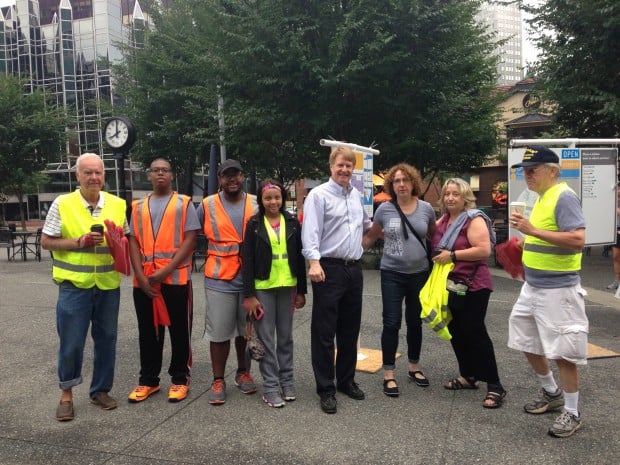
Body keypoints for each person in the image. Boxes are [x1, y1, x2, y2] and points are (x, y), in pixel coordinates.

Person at [41, 153, 129, 421]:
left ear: (104, 175)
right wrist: (77, 243)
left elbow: (125, 239)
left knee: (106, 340)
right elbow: (46, 241)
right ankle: (66, 394)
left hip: (107, 286)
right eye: (88, 173)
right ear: (77, 176)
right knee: (71, 342)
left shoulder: (118, 204)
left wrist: (118, 245)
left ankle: (100, 390)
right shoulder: (63, 203)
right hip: (73, 286)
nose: (94, 177)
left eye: (98, 173)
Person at [508, 145, 587, 438]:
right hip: (533, 286)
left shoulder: (563, 196)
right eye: (525, 171)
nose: (527, 176)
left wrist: (533, 232)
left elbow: (578, 239)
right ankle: (551, 392)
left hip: (559, 289)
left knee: (563, 352)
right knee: (525, 339)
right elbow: (547, 237)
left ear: (552, 170)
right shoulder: (542, 197)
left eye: (533, 170)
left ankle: (572, 411)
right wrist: (522, 246)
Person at [301, 145, 372, 414]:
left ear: (353, 169)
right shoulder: (318, 195)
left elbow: (366, 227)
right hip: (327, 269)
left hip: (353, 269)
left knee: (349, 329)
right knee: (324, 332)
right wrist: (314, 262)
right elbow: (311, 231)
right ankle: (326, 388)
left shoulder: (356, 196)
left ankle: (346, 381)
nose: (344, 169)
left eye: (349, 166)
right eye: (340, 165)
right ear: (330, 166)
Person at [127, 158, 200, 403]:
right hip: (145, 281)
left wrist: (166, 270)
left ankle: (180, 379)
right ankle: (148, 380)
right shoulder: (137, 207)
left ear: (171, 175)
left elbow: (190, 239)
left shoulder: (183, 203)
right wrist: (140, 274)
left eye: (165, 170)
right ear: (149, 175)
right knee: (148, 332)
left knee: (180, 331)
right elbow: (134, 241)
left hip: (176, 280)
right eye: (156, 170)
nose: (160, 174)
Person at [431, 177, 506, 409]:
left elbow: (483, 250)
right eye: (447, 194)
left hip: (474, 285)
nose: (451, 198)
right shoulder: (443, 219)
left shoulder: (473, 219)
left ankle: (495, 385)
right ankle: (469, 376)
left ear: (465, 197)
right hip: (451, 284)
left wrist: (452, 256)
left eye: (456, 194)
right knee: (456, 331)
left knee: (475, 333)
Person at [362, 163, 436, 397]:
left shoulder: (426, 209)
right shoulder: (384, 209)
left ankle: (414, 367)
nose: (401, 184)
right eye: (396, 181)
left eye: (405, 180)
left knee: (415, 322)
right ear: (391, 185)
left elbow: (433, 236)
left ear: (414, 182)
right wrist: (350, 256)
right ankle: (389, 373)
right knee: (391, 322)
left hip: (420, 274)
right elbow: (372, 236)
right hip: (392, 274)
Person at [197, 159, 258, 405]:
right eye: (226, 176)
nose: (231, 180)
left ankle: (243, 372)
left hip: (249, 278)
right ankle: (218, 378)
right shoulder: (206, 205)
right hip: (219, 277)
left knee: (246, 330)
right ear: (220, 179)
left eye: (236, 175)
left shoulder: (255, 202)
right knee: (219, 332)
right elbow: (193, 234)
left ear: (242, 176)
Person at [242, 179, 307, 408]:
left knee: (286, 338)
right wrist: (249, 295)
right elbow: (247, 261)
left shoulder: (291, 222)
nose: (273, 202)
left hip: (287, 286)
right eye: (268, 198)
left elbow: (299, 257)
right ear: (261, 199)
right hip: (263, 288)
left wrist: (301, 290)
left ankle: (286, 380)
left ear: (283, 198)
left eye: (277, 197)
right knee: (267, 339)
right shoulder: (253, 224)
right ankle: (270, 386)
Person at [606, 186, 620, 291]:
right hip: (616, 230)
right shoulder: (613, 200)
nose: (618, 191)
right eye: (617, 188)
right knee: (615, 257)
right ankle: (617, 281)